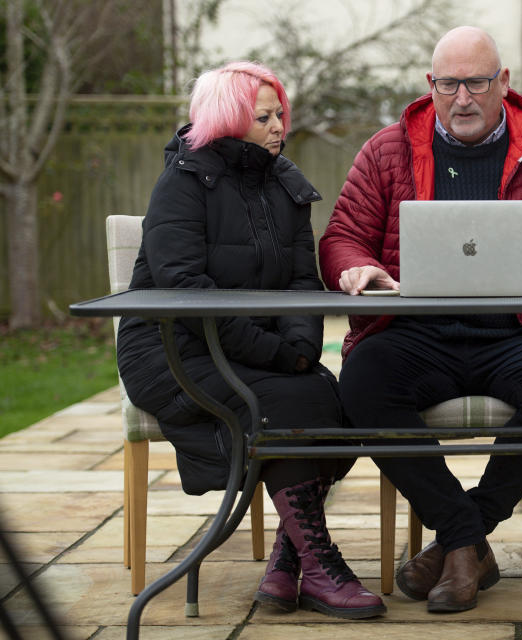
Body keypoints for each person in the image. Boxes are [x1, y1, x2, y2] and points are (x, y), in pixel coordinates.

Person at [318, 26, 522, 613]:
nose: (462, 98)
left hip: (521, 332)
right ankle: (466, 540)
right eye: (448, 84)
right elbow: (342, 237)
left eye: (476, 83)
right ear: (429, 85)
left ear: (504, 83)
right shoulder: (387, 151)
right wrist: (355, 267)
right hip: (413, 336)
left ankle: (458, 537)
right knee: (360, 384)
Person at [116, 61, 385, 619]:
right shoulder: (184, 182)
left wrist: (303, 348)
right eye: (262, 116)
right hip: (169, 351)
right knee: (288, 402)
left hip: (254, 350)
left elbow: (302, 282)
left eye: (279, 113)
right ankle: (320, 562)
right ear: (228, 119)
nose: (277, 126)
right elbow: (187, 292)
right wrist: (278, 355)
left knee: (351, 398)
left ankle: (291, 562)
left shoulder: (284, 184)